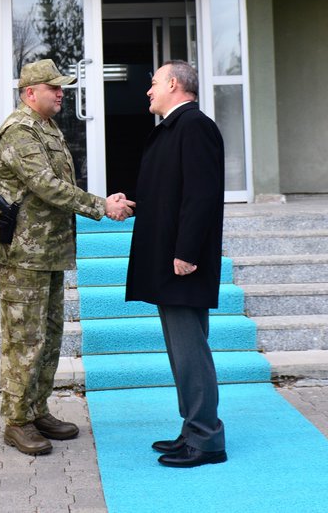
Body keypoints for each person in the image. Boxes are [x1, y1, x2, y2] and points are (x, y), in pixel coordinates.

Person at [0, 58, 135, 456]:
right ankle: (17, 420)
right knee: (25, 339)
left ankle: (36, 409)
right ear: (29, 93)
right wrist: (101, 205)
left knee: (49, 337)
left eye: (62, 87)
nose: (61, 93)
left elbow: (59, 184)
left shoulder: (46, 128)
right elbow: (46, 186)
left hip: (48, 251)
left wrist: (100, 202)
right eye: (54, 88)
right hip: (22, 254)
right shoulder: (19, 131)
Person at [125, 60, 228, 468]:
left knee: (190, 351)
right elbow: (167, 192)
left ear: (172, 83)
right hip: (169, 260)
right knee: (182, 349)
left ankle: (206, 439)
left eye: (152, 84)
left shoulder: (194, 126)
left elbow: (200, 196)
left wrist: (187, 253)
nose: (148, 91)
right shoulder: (173, 129)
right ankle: (192, 429)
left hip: (183, 262)